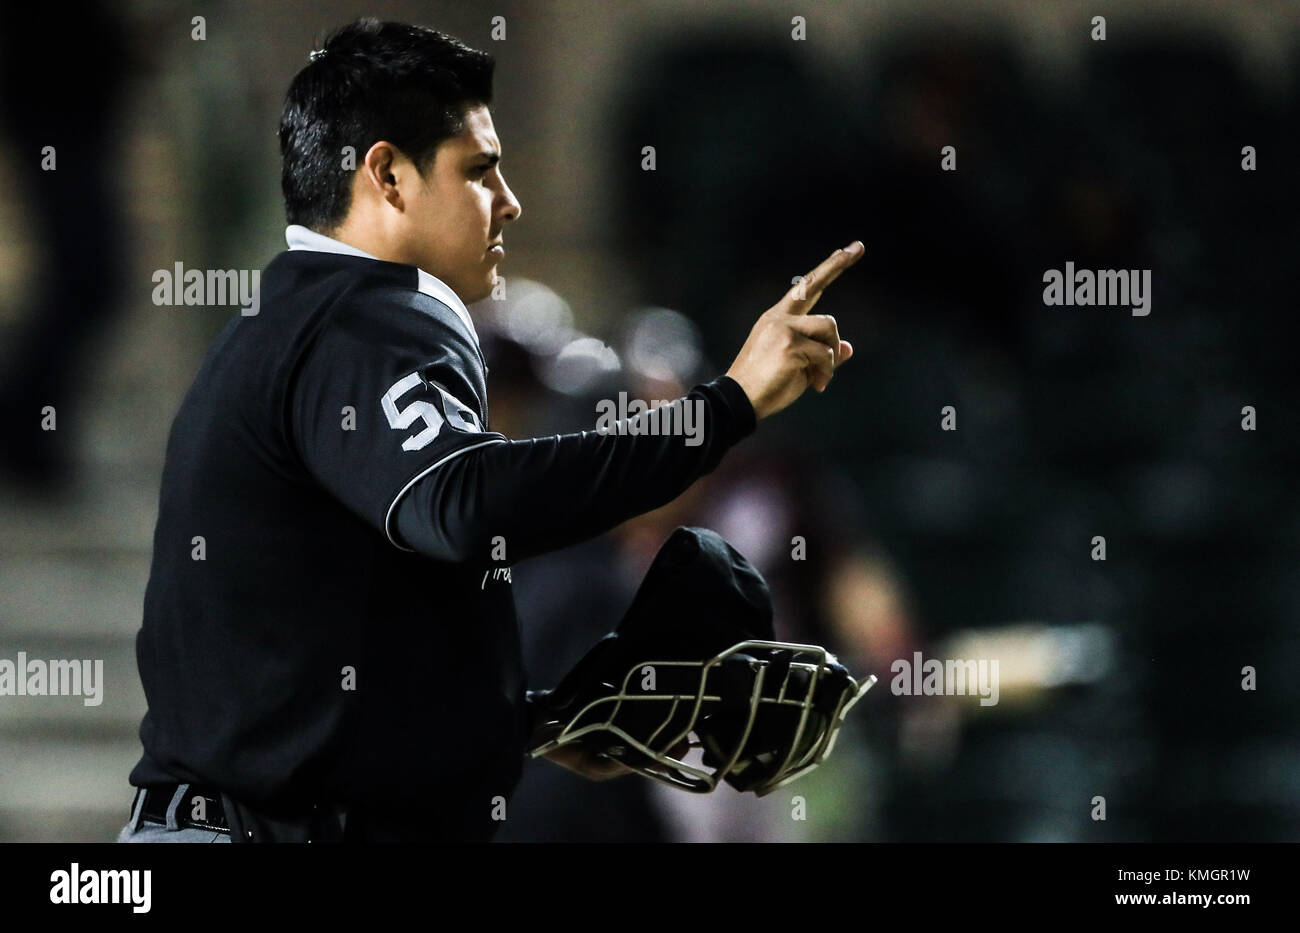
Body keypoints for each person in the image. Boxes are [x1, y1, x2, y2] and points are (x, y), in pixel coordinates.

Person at [116, 17, 861, 843]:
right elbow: (463, 500)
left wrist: (536, 720)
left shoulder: (292, 323)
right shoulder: (371, 312)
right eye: (479, 172)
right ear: (388, 176)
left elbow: (321, 664)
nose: (509, 202)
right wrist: (727, 407)